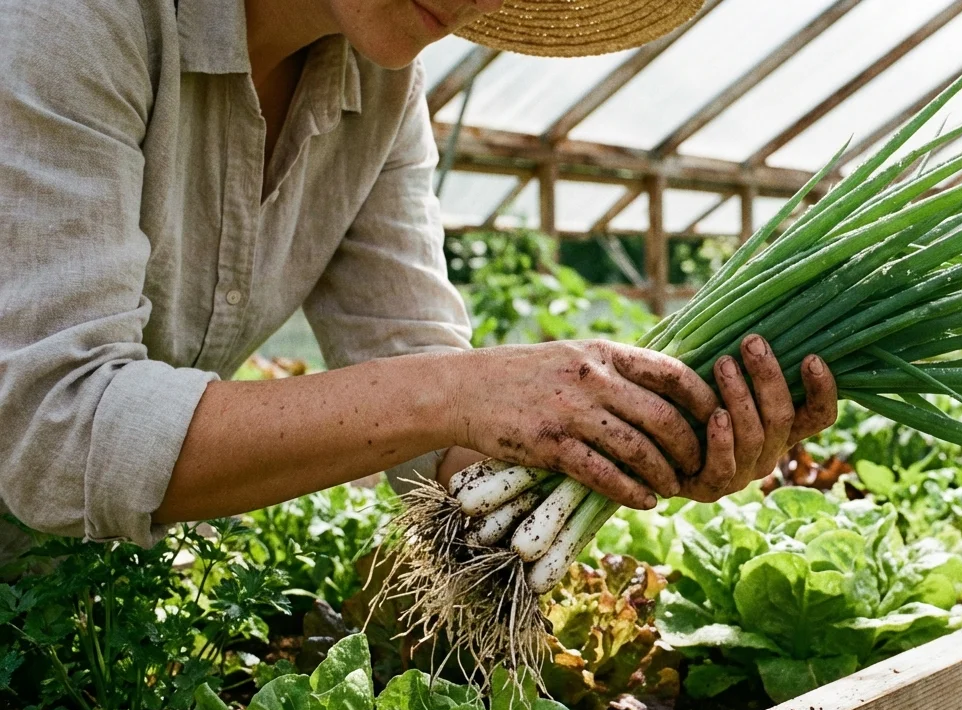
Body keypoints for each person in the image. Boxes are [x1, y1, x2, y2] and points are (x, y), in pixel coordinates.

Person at [0, 0, 837, 547]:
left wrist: (637, 439)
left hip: (83, 596)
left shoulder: (382, 81)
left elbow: (419, 398)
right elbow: (57, 424)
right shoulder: (68, 20)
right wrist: (458, 387)